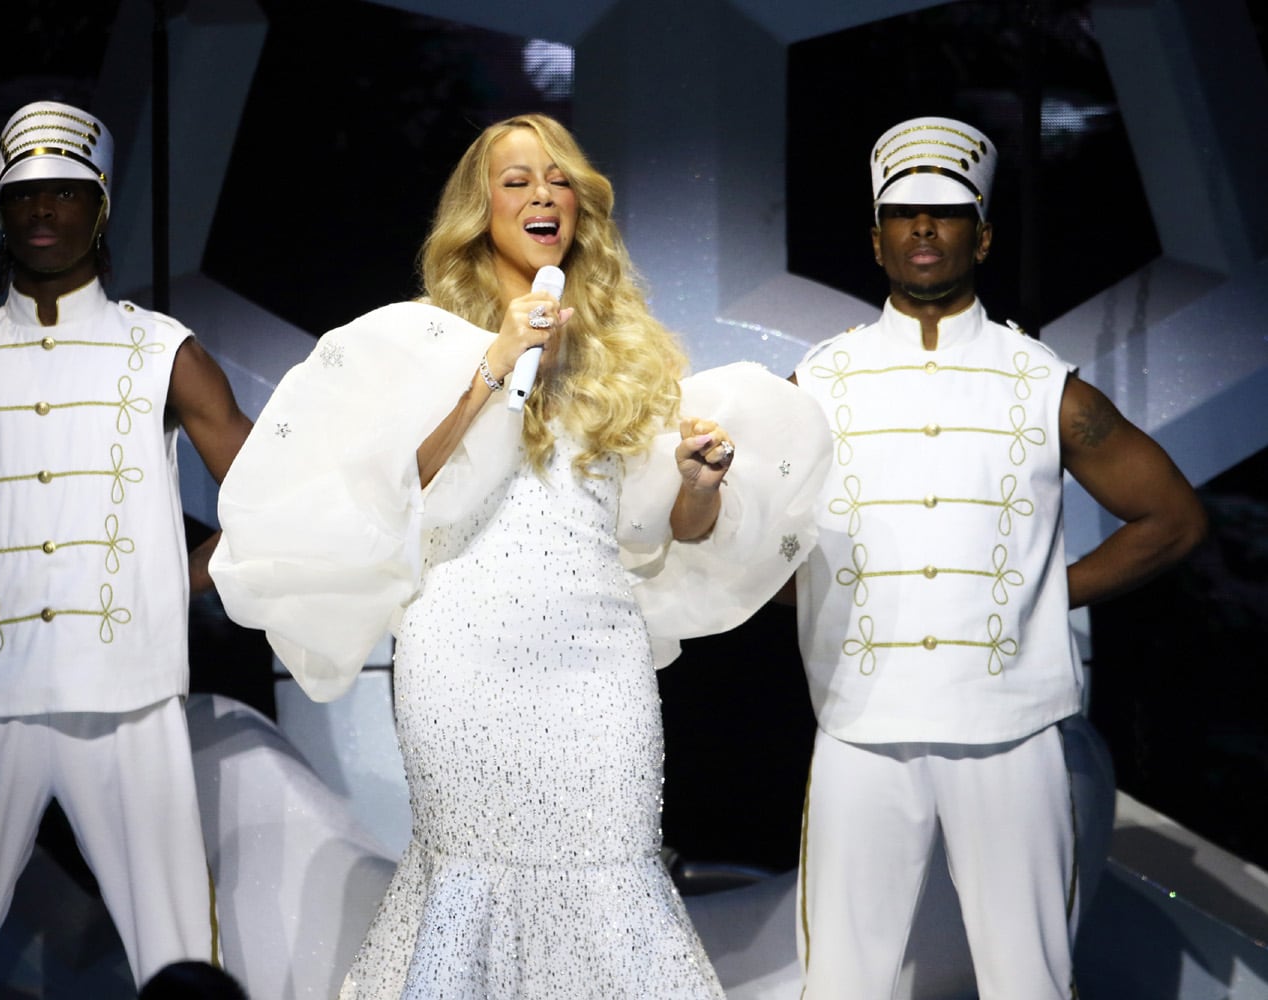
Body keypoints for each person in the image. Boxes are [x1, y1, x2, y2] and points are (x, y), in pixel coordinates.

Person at [208, 113, 832, 998]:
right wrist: (494, 366)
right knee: (470, 874)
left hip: (600, 663)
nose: (543, 194)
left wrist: (700, 483)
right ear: (482, 210)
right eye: (517, 180)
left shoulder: (629, 353)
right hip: (463, 654)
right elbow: (395, 494)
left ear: (580, 207)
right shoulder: (415, 339)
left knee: (613, 871)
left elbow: (671, 532)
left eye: (559, 179)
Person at [0, 100, 254, 997]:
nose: (42, 209)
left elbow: (270, 501)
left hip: (128, 696)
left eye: (64, 191)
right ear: (0, 207)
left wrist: (175, 582)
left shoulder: (161, 350)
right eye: (23, 193)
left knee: (179, 955)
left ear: (100, 205)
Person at [784, 115, 1209, 998]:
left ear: (981, 235)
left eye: (946, 212)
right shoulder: (817, 382)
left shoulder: (1041, 382)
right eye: (904, 213)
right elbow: (745, 538)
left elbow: (1171, 519)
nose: (923, 228)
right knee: (841, 983)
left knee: (1029, 981)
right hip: (863, 719)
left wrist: (1047, 598)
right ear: (876, 238)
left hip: (1010, 725)